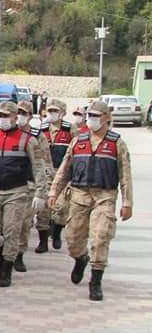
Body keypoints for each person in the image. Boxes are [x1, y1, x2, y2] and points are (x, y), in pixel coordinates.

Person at [49, 100, 133, 301]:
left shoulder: (116, 143)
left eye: (96, 116)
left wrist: (127, 202)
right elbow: (64, 169)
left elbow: (125, 175)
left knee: (100, 236)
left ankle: (95, 281)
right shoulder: (78, 141)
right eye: (90, 115)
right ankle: (80, 258)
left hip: (104, 197)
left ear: (106, 118)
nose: (91, 119)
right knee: (73, 240)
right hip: (79, 196)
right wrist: (54, 192)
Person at [0, 101, 46, 288]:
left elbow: (39, 167)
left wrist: (40, 193)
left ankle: (7, 268)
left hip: (17, 191)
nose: (2, 119)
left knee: (12, 230)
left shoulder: (28, 140)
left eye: (6, 116)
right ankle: (2, 252)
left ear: (15, 118)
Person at [14, 100, 53, 273]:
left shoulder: (37, 135)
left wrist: (45, 186)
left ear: (30, 116)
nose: (20, 116)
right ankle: (6, 251)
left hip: (29, 184)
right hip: (7, 184)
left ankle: (18, 254)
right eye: (18, 112)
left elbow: (45, 161)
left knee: (24, 222)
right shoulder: (4, 132)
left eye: (24, 113)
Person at [39, 99, 78, 251]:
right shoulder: (41, 129)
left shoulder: (70, 129)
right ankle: (43, 241)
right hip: (45, 173)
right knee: (43, 209)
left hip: (63, 175)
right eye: (50, 111)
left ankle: (56, 232)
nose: (52, 114)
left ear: (63, 113)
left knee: (61, 207)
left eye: (55, 111)